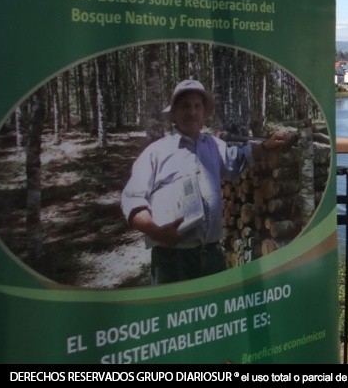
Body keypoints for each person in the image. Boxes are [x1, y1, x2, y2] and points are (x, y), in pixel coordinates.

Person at [121, 79, 289, 284]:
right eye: (185, 106)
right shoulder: (156, 153)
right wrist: (156, 232)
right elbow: (132, 200)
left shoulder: (213, 145)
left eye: (197, 106)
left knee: (214, 313)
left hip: (211, 256)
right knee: (175, 314)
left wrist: (265, 146)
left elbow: (238, 158)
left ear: (203, 114)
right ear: (173, 114)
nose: (192, 112)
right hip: (172, 261)